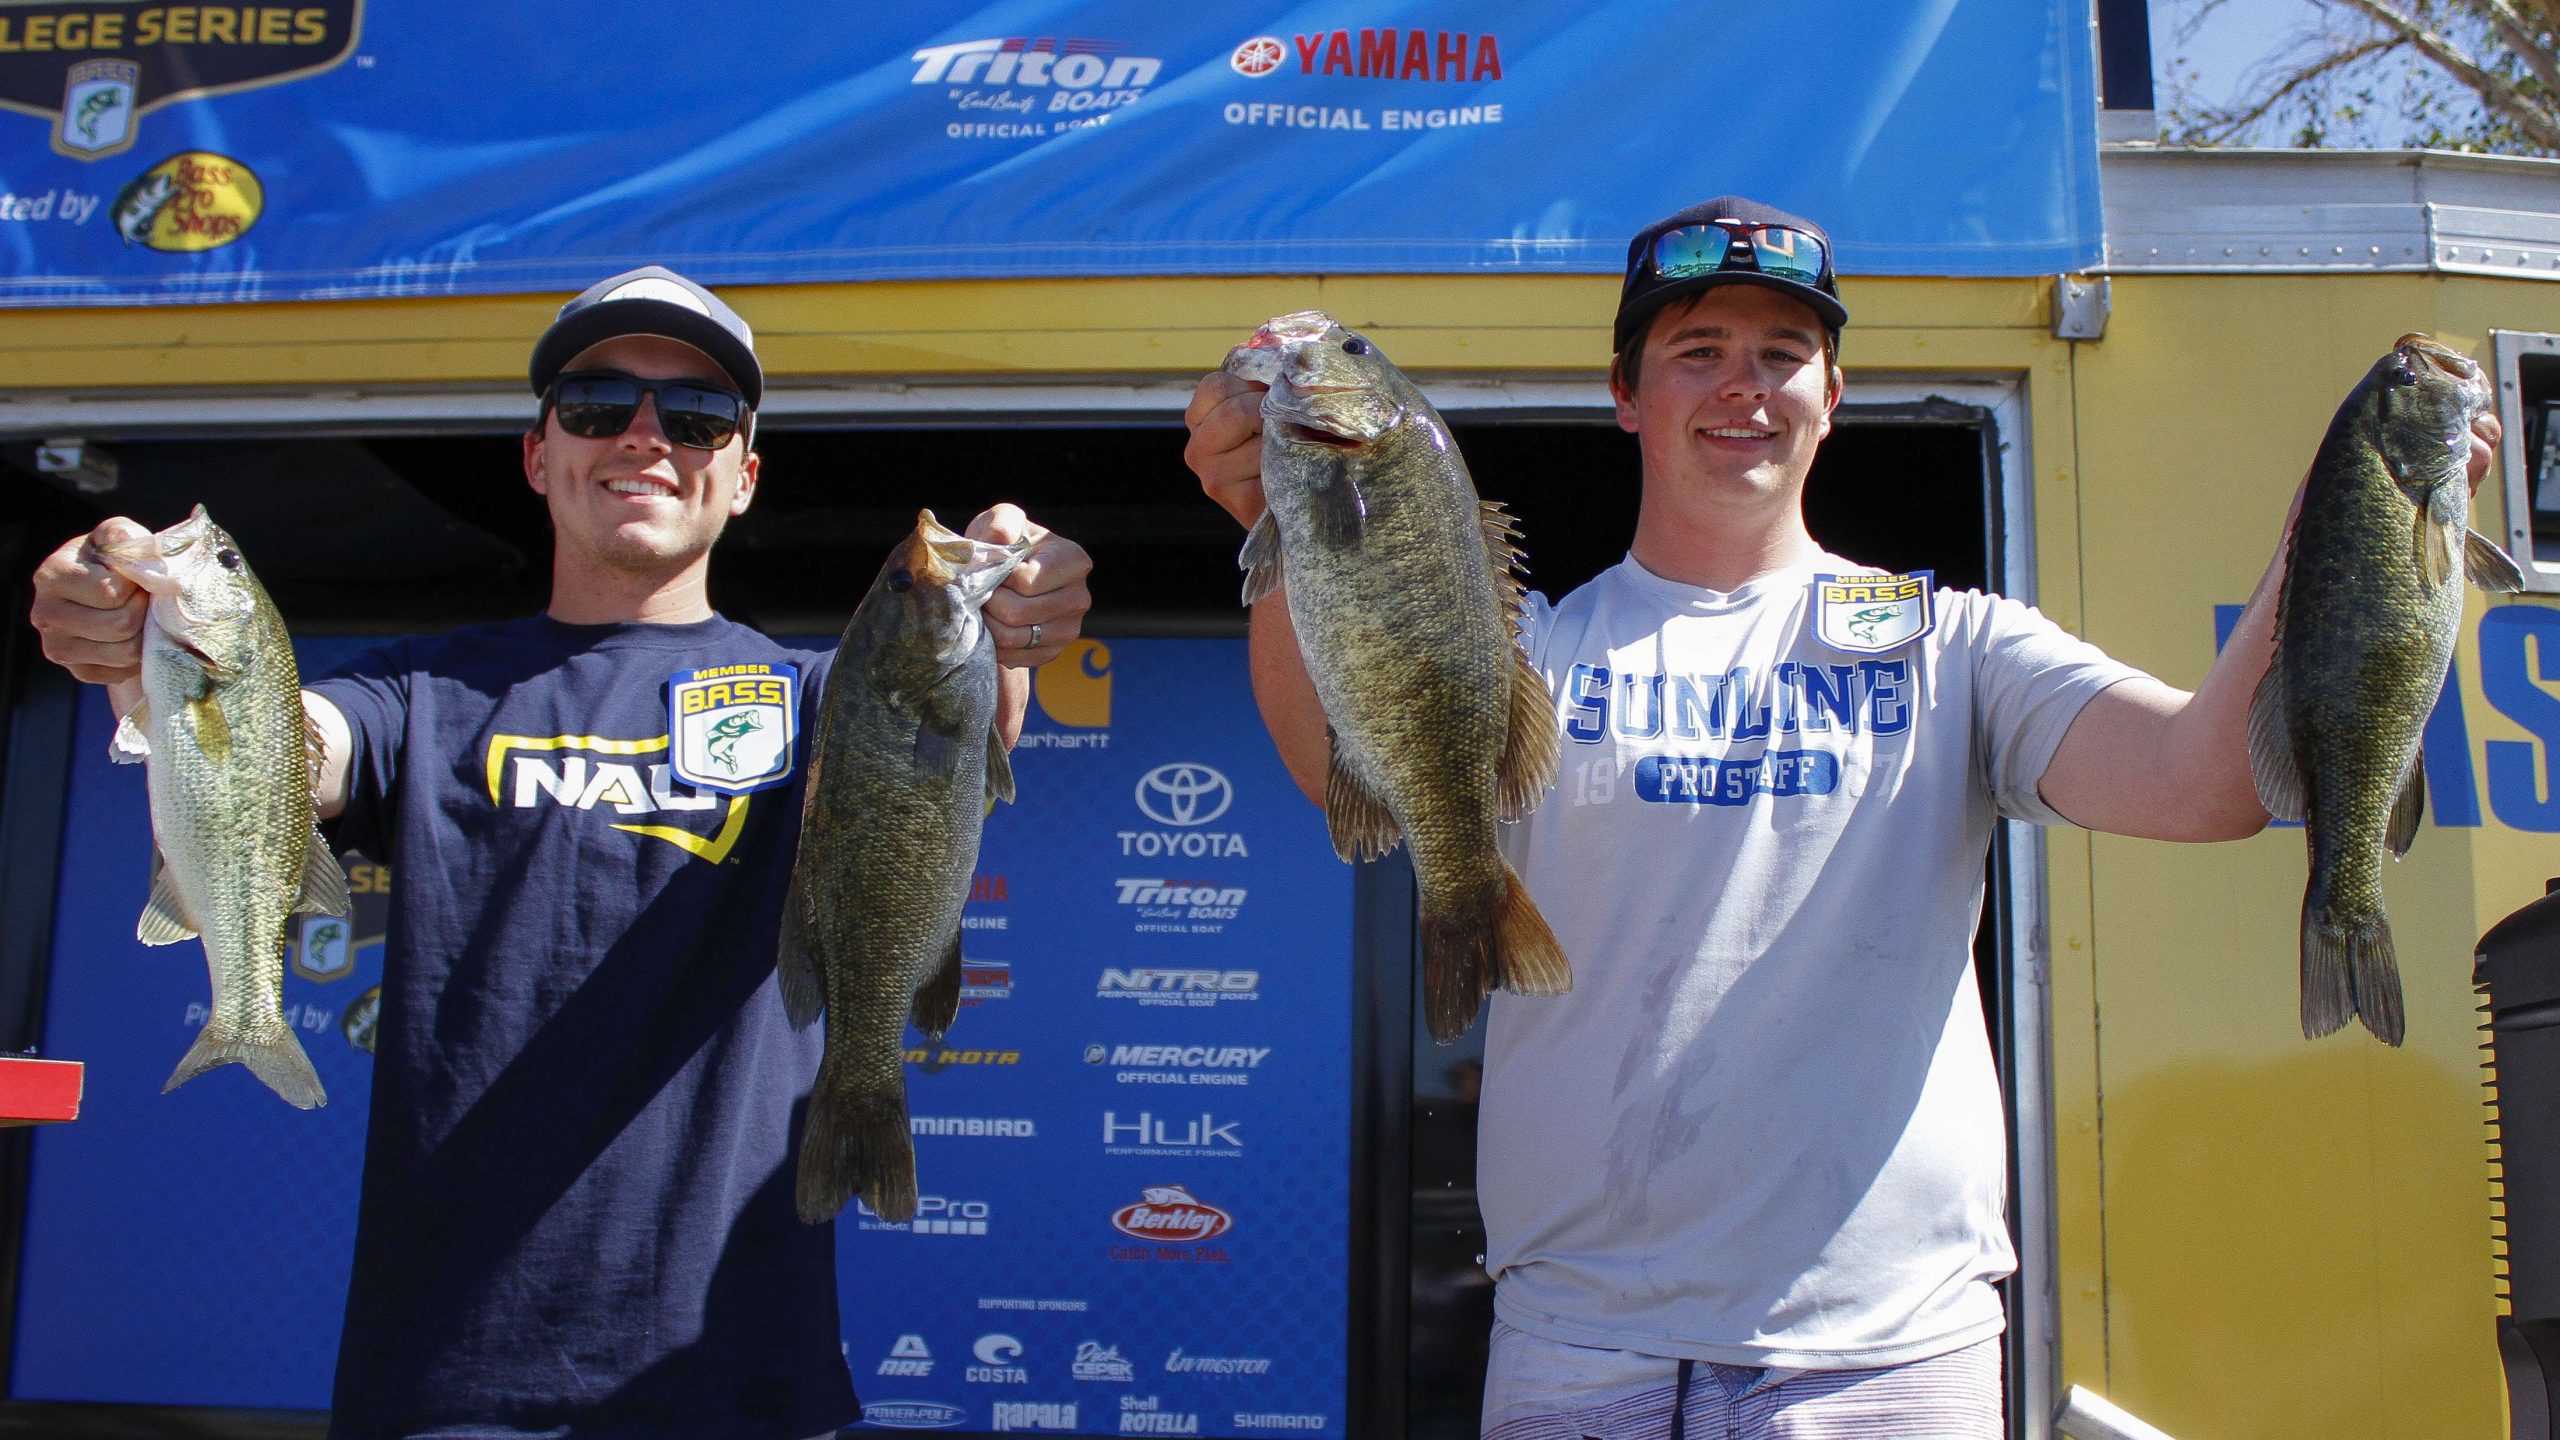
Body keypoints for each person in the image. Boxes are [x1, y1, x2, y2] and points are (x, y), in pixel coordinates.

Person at [1183, 198, 2499, 1438]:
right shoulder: (1524, 652)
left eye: (1784, 354)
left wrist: (2341, 526)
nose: (1744, 386)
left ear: (1835, 395)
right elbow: (1328, 758)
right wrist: (1284, 516)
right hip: (1578, 1337)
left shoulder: (1955, 644)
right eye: (1697, 352)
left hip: (1892, 1350)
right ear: (1626, 396)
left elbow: (2202, 783)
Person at [30, 266, 1094, 1440]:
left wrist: (1010, 620)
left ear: (742, 476)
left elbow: (947, 742)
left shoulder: (819, 696)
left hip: (742, 1380)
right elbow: (282, 749)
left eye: (696, 416)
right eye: (596, 405)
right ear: (539, 456)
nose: (644, 436)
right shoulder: (419, 689)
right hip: (445, 1383)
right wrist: (138, 646)